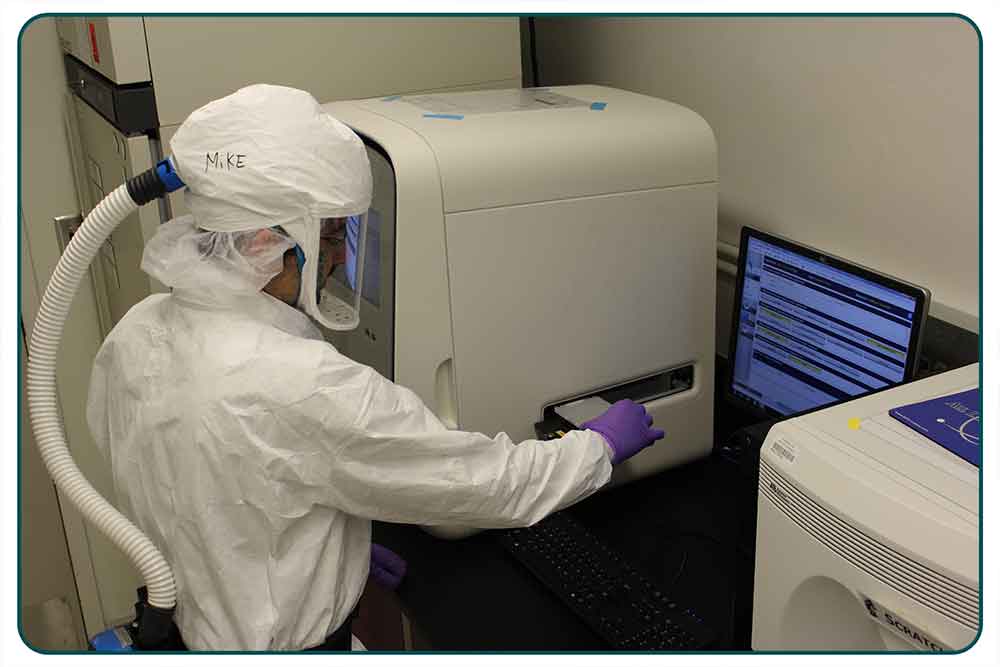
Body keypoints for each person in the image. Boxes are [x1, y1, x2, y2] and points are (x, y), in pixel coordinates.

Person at [86, 84, 664, 651]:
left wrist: (327, 555)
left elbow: (200, 488)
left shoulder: (138, 330)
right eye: (332, 236)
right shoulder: (302, 384)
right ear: (268, 241)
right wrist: (596, 449)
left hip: (182, 626)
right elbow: (484, 483)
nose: (338, 259)